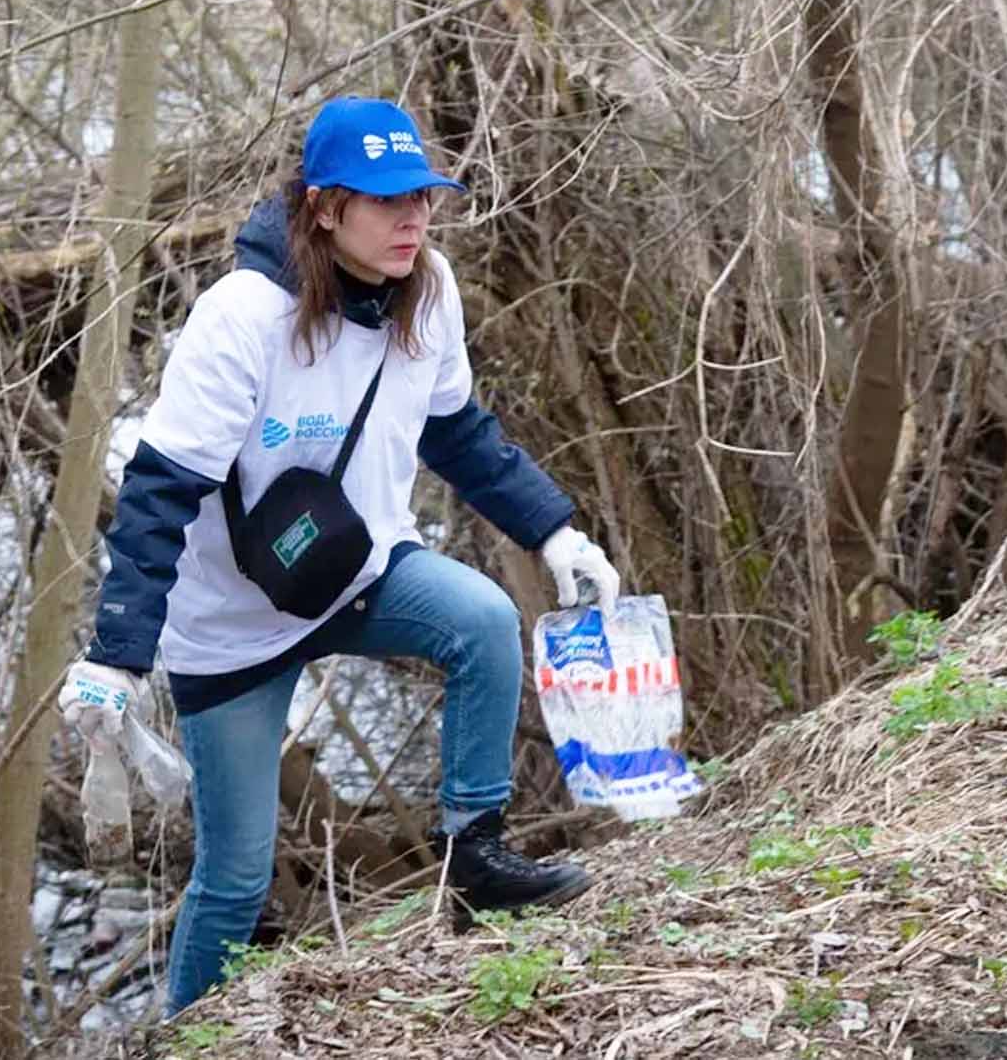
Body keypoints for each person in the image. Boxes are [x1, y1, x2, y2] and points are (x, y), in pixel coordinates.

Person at [56, 96, 623, 1015]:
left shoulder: (428, 290)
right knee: (237, 878)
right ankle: (188, 1032)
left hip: (361, 571)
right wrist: (115, 656)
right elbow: (160, 491)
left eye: (426, 198)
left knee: (482, 620)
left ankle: (474, 856)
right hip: (231, 625)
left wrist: (554, 530)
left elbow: (460, 436)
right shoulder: (242, 315)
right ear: (324, 207)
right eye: (388, 201)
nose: (414, 219)